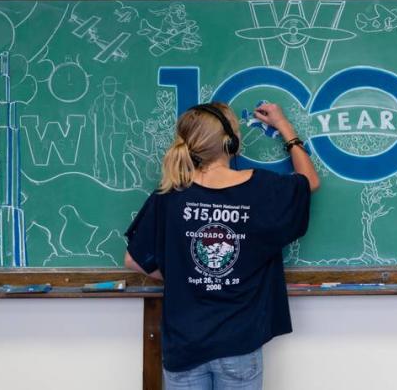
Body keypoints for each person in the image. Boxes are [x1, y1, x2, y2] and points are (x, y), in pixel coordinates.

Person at [125, 101, 320, 390]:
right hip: (239, 342)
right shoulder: (261, 189)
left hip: (184, 343)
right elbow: (309, 181)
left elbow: (133, 260)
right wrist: (284, 127)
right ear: (231, 143)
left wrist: (183, 276)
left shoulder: (168, 195)